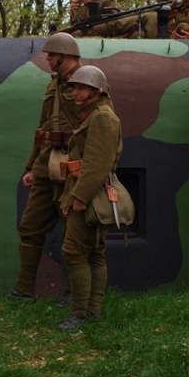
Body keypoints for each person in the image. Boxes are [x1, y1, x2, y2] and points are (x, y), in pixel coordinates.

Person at [7, 33, 82, 304]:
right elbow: (42, 130)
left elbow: (99, 127)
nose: (48, 59)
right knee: (30, 227)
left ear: (65, 55)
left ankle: (75, 293)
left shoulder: (87, 81)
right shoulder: (53, 84)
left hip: (72, 168)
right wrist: (31, 166)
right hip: (45, 166)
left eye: (52, 55)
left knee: (74, 233)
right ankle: (24, 290)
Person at [58, 65, 122, 331]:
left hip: (91, 192)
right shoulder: (95, 114)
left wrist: (80, 197)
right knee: (94, 252)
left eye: (83, 88)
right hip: (89, 189)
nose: (76, 92)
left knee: (74, 251)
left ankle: (80, 313)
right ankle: (92, 310)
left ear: (97, 91)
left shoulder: (103, 117)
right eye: (74, 87)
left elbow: (97, 164)